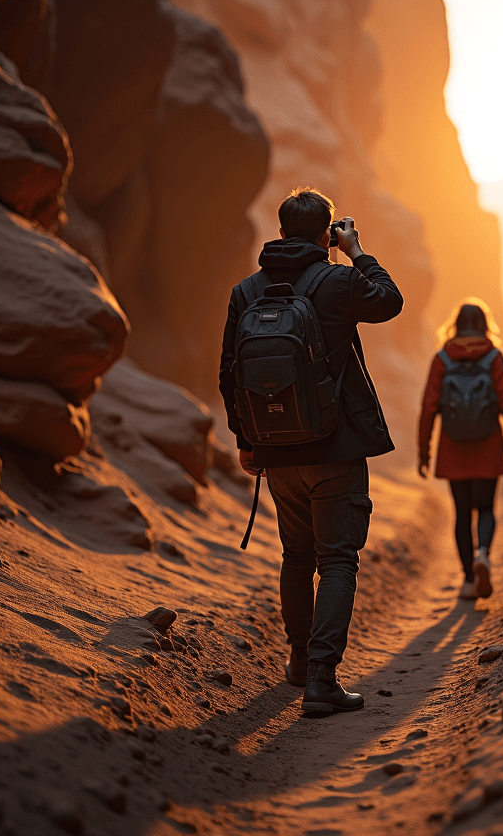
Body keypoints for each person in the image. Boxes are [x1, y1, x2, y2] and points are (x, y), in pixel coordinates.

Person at [219, 186, 403, 713]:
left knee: (297, 556)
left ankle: (299, 660)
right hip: (336, 450)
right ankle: (323, 680)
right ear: (327, 234)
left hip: (276, 452)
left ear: (280, 232)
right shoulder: (340, 279)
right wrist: (357, 251)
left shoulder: (246, 292)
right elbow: (389, 300)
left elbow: (229, 374)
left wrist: (246, 442)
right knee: (338, 560)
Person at [417, 300, 503, 600]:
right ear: (484, 325)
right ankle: (483, 552)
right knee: (485, 508)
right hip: (488, 444)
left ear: (455, 325)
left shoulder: (442, 359)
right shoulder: (494, 357)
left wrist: (424, 452)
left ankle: (469, 578)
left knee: (460, 513)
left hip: (452, 446)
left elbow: (428, 408)